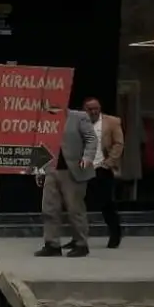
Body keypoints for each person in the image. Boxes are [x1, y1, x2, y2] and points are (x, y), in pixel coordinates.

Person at [35, 108, 99, 257]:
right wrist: (38, 169)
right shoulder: (44, 119)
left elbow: (91, 138)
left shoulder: (79, 117)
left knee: (75, 209)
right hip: (51, 168)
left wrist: (88, 158)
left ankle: (81, 243)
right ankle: (52, 244)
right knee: (49, 208)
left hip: (73, 170)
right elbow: (40, 143)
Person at [78, 97, 124, 249]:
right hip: (83, 167)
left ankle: (115, 234)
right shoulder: (79, 122)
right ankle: (78, 238)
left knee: (107, 203)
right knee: (77, 205)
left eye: (96, 108)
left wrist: (109, 162)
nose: (93, 112)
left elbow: (118, 143)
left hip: (102, 167)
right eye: (90, 109)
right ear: (84, 110)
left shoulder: (112, 122)